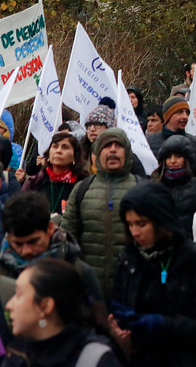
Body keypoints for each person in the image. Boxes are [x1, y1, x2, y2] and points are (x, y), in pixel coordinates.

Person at [110, 181, 196, 367]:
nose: (135, 232)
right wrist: (119, 330)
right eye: (130, 225)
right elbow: (119, 307)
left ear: (161, 220)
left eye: (141, 224)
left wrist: (162, 324)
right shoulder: (128, 257)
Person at [62, 128, 142, 300]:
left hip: (131, 288)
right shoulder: (82, 189)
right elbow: (68, 236)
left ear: (126, 153)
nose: (112, 150)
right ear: (97, 154)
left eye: (118, 145)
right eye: (107, 146)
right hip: (88, 288)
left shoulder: (141, 189)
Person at [4, 259, 121, 367]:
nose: (9, 305)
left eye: (18, 294)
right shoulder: (17, 352)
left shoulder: (94, 359)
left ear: (45, 306)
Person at [0, 192, 103, 305]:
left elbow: (96, 318)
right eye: (18, 244)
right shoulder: (3, 271)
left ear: (49, 228)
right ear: (9, 237)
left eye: (33, 241)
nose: (26, 251)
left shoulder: (78, 271)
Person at [152, 135, 196, 238]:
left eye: (178, 156)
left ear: (187, 159)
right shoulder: (153, 188)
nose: (173, 161)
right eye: (168, 157)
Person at [21, 132, 89, 215]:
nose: (59, 151)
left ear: (75, 156)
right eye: (55, 146)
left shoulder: (84, 186)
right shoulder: (34, 183)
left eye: (65, 147)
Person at [146, 96, 196, 179]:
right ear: (168, 116)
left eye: (187, 113)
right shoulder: (149, 142)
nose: (185, 117)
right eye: (179, 112)